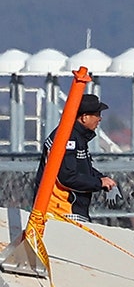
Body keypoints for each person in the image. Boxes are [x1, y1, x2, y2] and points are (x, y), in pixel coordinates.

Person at [36, 93, 117, 223]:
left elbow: (82, 168)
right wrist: (99, 183)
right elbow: (67, 177)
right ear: (84, 117)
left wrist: (100, 178)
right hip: (61, 211)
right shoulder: (67, 138)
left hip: (71, 209)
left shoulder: (76, 136)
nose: (100, 119)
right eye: (97, 114)